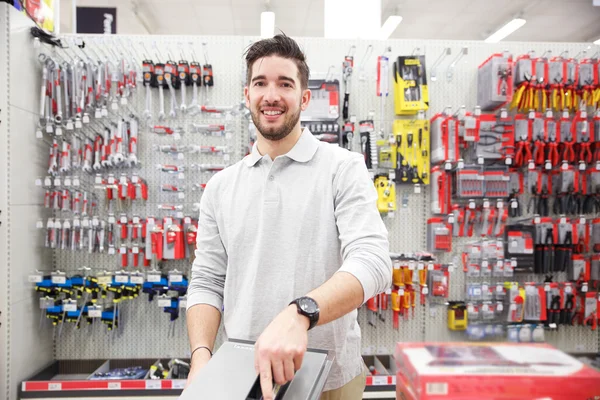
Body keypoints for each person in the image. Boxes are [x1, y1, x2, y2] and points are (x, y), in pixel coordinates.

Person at [185, 34, 392, 400]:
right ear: (246, 94)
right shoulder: (220, 187)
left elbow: (373, 262)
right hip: (241, 377)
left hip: (330, 379)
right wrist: (200, 355)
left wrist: (301, 313)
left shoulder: (342, 169)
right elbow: (206, 281)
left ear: (305, 97)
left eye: (285, 84)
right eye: (260, 83)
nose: (272, 95)